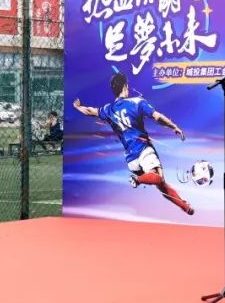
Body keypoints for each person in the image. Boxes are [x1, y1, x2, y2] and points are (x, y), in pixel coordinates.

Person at [74, 73, 194, 215]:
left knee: (160, 183)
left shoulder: (108, 109)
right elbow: (157, 117)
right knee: (158, 177)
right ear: (126, 86)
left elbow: (89, 111)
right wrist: (174, 126)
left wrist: (78, 107)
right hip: (143, 150)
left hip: (131, 160)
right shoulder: (137, 102)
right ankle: (137, 180)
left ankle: (185, 207)